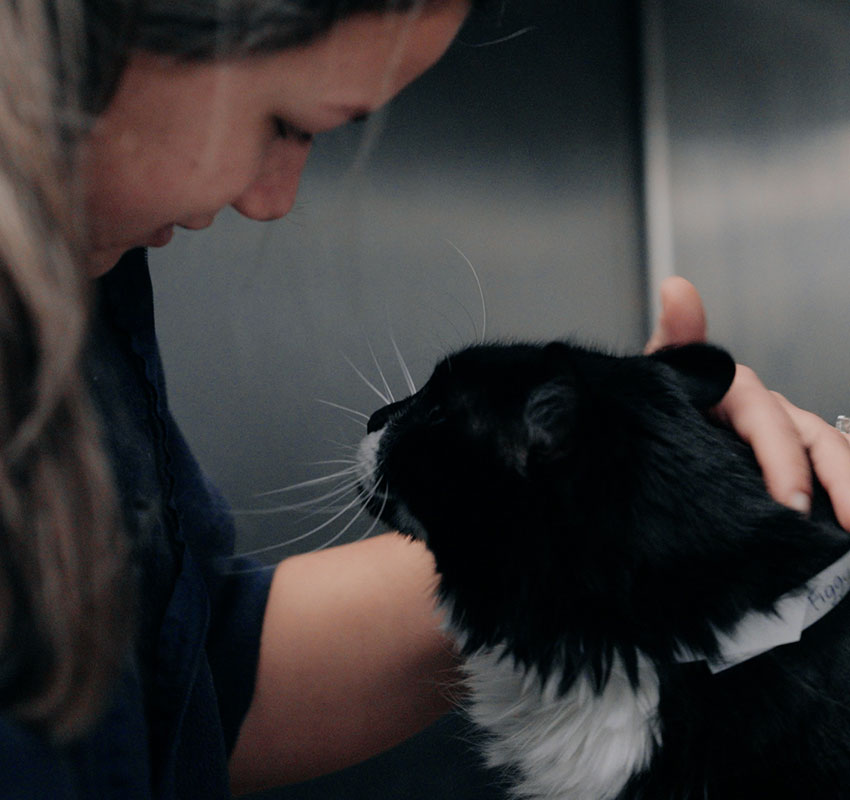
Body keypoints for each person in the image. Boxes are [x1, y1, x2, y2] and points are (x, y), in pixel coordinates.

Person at [1, 0, 849, 797]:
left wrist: (629, 532)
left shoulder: (86, 271)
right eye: (287, 122)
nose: (272, 200)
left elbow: (185, 686)